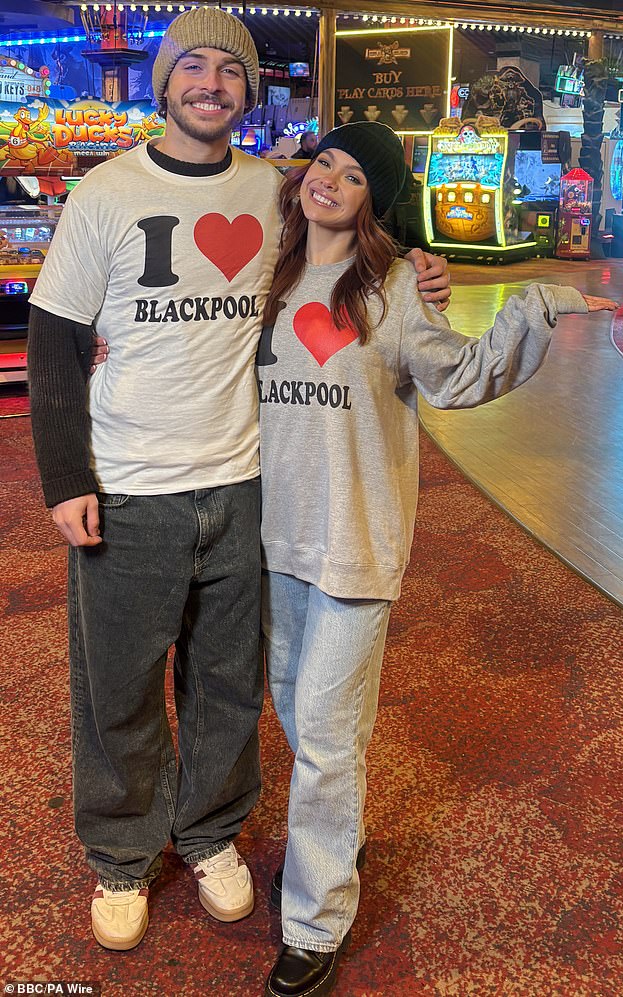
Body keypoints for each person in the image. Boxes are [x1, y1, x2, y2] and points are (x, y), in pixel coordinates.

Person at [26, 7, 450, 954]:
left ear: (249, 92)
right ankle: (123, 855)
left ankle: (210, 832)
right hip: (129, 482)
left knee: (227, 682)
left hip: (251, 482)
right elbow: (54, 335)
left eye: (230, 69)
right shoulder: (105, 190)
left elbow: (369, 223)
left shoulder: (277, 191)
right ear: (165, 80)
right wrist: (63, 476)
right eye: (194, 67)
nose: (211, 83)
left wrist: (427, 264)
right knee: (119, 684)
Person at [251, 122, 617, 996]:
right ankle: (334, 833)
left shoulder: (398, 292)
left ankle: (315, 917)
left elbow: (460, 376)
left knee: (331, 738)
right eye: (324, 163)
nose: (330, 181)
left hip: (357, 543)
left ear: (377, 198)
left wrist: (542, 303)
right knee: (298, 713)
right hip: (271, 539)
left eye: (354, 174)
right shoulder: (267, 270)